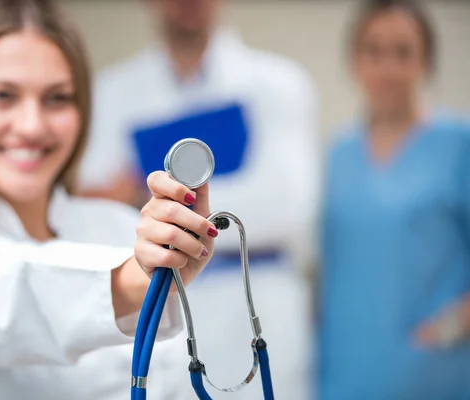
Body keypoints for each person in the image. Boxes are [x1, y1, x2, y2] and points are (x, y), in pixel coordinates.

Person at [0, 0, 222, 398]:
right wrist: (136, 279)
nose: (32, 125)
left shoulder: (119, 226)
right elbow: (8, 303)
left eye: (57, 98)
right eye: (2, 96)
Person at [78, 0, 319, 398]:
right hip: (165, 307)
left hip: (258, 298)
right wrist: (230, 194)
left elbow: (288, 208)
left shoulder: (280, 83)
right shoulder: (112, 91)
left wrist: (143, 191)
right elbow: (95, 211)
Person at [319, 0, 470, 399]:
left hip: (433, 374)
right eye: (374, 51)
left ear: (426, 62)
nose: (387, 68)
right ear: (355, 60)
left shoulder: (458, 145)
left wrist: (453, 326)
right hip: (345, 372)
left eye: (403, 52)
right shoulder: (338, 155)